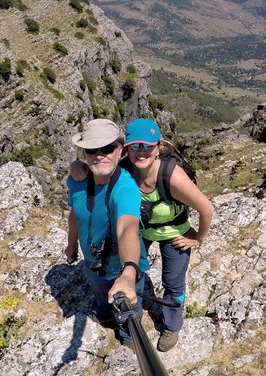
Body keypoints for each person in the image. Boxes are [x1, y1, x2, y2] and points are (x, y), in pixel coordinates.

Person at [70, 117, 214, 352]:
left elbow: (206, 208)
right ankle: (138, 301)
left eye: (147, 146)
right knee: (133, 271)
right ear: (126, 148)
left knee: (173, 282)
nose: (141, 151)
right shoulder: (125, 168)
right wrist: (77, 166)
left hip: (173, 232)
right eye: (135, 146)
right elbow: (99, 162)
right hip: (143, 231)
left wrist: (198, 238)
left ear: (158, 148)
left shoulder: (172, 176)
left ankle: (171, 324)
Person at [64, 118, 150, 347]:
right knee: (101, 296)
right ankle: (102, 312)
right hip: (92, 265)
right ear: (84, 152)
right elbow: (75, 214)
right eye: (92, 149)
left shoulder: (126, 188)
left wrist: (129, 273)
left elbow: (127, 228)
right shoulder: (76, 181)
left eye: (107, 148)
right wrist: (71, 244)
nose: (99, 154)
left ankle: (128, 337)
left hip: (121, 269)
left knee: (129, 309)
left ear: (119, 150)